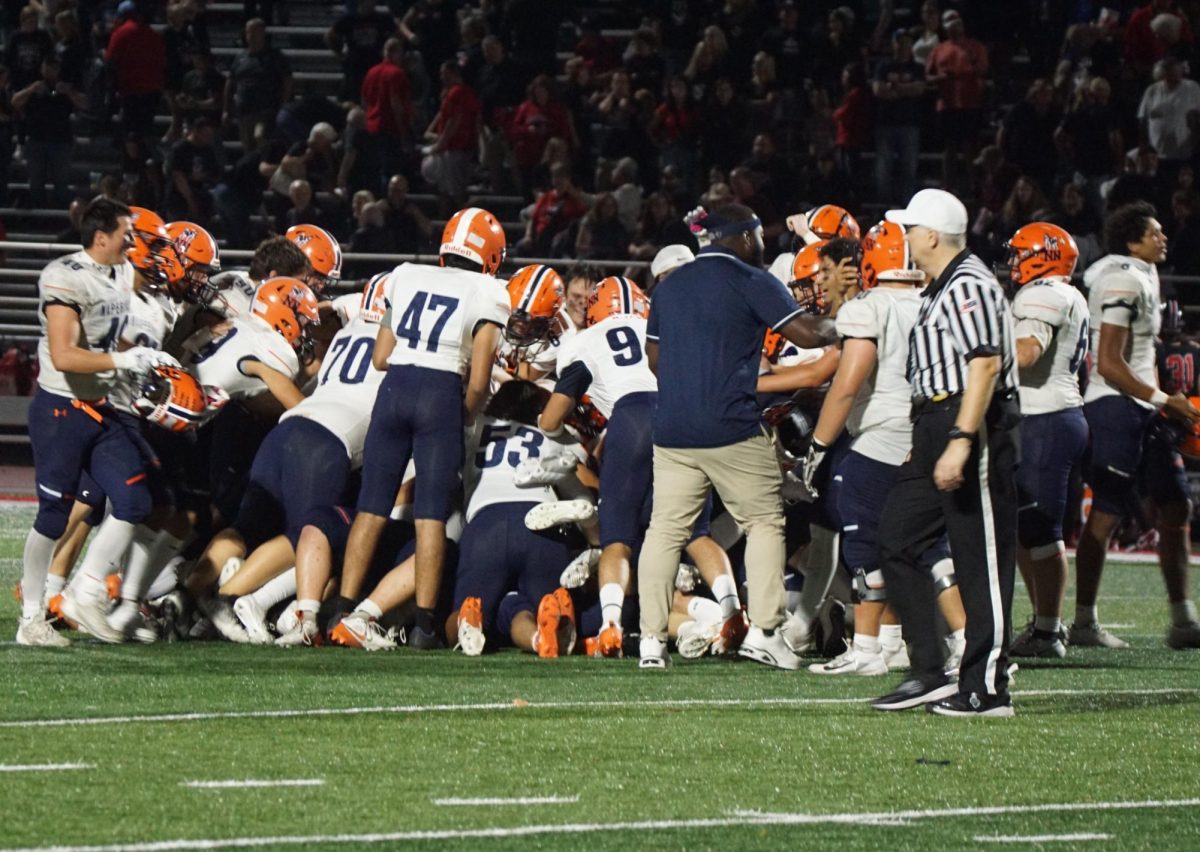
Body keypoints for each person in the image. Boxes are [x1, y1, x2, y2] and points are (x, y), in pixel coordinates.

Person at [637, 203, 835, 669]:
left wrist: (695, 383)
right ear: (744, 237)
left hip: (673, 429)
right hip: (730, 425)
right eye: (758, 237)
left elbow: (655, 360)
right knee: (764, 521)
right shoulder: (751, 280)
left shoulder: (670, 285)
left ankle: (650, 639)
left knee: (665, 531)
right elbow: (807, 335)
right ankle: (765, 632)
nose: (762, 245)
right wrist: (848, 321)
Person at [873, 188, 1020, 717]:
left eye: (910, 229)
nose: (906, 238)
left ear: (931, 235)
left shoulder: (969, 283)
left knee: (979, 557)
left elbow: (984, 364)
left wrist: (960, 438)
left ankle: (987, 687)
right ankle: (929, 670)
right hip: (939, 421)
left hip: (971, 422)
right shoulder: (944, 285)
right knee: (896, 536)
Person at [336, 208, 508, 649]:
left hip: (396, 387)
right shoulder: (489, 291)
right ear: (491, 256)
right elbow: (480, 380)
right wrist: (465, 414)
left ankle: (341, 608)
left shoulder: (406, 273)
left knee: (371, 506)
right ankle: (425, 627)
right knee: (430, 515)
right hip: (440, 392)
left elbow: (380, 357)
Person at [17, 198, 167, 646]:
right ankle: (31, 618)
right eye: (126, 232)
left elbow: (113, 332)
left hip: (101, 409)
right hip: (60, 410)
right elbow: (64, 355)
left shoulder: (121, 272)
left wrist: (143, 365)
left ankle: (86, 592)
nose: (132, 241)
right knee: (53, 515)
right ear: (101, 236)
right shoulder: (65, 276)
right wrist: (124, 359)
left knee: (134, 502)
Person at [1074, 201, 1200, 650]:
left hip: (1142, 408)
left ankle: (1183, 620)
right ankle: (1084, 621)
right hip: (1115, 407)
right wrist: (1168, 400)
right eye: (1155, 232)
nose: (1163, 238)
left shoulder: (1140, 273)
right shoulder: (1123, 278)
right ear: (1132, 241)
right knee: (1107, 513)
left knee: (1176, 505)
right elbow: (1109, 363)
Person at [1005, 223, 1090, 659]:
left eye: (1021, 253)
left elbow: (1025, 354)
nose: (1014, 261)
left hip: (1045, 418)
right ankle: (1043, 624)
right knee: (1026, 527)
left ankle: (1048, 631)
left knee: (1041, 529)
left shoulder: (1044, 295)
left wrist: (978, 361)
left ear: (1044, 255)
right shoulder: (1066, 293)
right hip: (1053, 415)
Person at [11, 55, 84, 208]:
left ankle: (61, 214)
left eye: (54, 67)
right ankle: (38, 213)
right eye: (47, 67)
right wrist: (31, 90)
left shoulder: (65, 87)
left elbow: (85, 104)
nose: (50, 71)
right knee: (36, 182)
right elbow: (15, 102)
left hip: (61, 140)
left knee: (61, 182)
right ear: (41, 68)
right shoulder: (33, 86)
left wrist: (69, 92)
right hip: (37, 140)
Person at [224, 18, 293, 152]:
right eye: (249, 32)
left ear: (263, 33)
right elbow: (230, 82)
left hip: (266, 110)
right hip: (244, 110)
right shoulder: (240, 57)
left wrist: (283, 103)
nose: (251, 36)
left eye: (255, 32)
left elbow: (287, 80)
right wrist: (226, 109)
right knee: (248, 147)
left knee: (260, 137)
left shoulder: (275, 56)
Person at [873, 29, 925, 204]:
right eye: (899, 41)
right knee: (883, 169)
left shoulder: (917, 67)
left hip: (909, 124)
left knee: (908, 169)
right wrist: (905, 90)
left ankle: (906, 206)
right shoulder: (884, 66)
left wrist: (895, 88)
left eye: (906, 41)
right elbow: (878, 91)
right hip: (885, 124)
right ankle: (884, 205)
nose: (903, 45)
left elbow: (919, 89)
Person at [421, 62, 481, 208]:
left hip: (456, 147)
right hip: (454, 146)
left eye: (444, 73)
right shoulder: (452, 92)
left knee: (454, 189)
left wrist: (441, 143)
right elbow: (443, 117)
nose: (442, 77)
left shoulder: (458, 92)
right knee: (446, 188)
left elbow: (455, 120)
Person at [104, 1, 166, 142]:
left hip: (130, 89)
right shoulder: (153, 35)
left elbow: (110, 60)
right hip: (152, 90)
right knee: (144, 132)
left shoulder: (122, 32)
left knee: (130, 133)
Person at [327, 0, 397, 104]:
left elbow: (396, 33)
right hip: (356, 66)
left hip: (376, 64)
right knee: (356, 98)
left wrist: (386, 50)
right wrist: (340, 53)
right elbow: (330, 36)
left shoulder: (382, 18)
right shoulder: (349, 19)